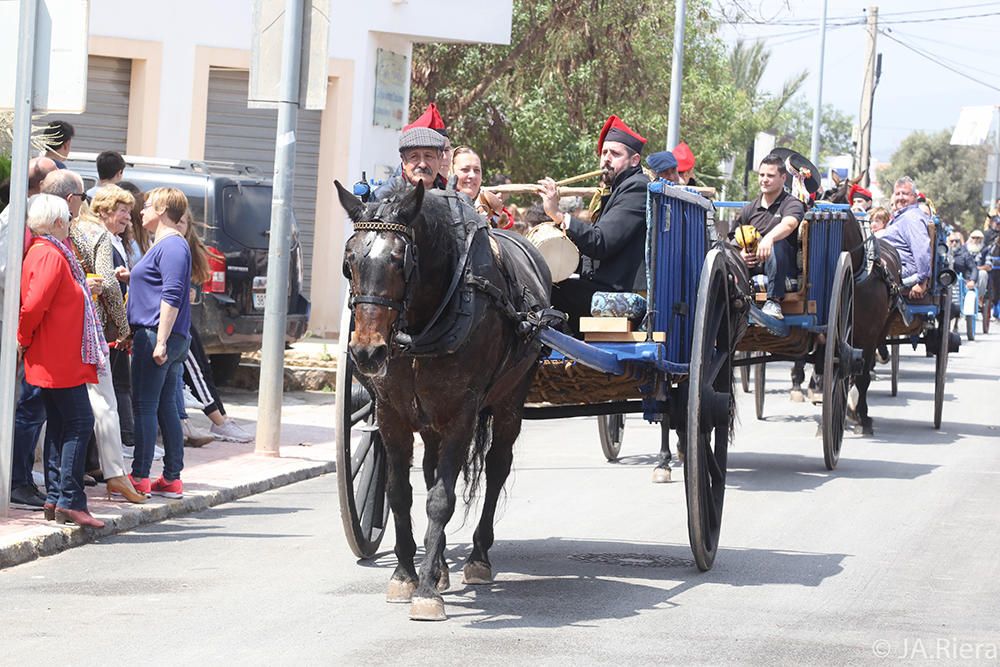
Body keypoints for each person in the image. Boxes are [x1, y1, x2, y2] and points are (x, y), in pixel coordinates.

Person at [18, 194, 103, 527]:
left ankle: (57, 498)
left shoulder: (44, 251)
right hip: (58, 357)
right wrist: (23, 339)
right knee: (79, 423)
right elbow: (34, 305)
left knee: (60, 424)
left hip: (56, 355)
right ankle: (69, 499)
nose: (71, 222)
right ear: (55, 222)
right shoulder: (51, 254)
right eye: (67, 217)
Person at [536, 114, 650, 333]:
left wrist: (558, 214)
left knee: (544, 287)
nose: (606, 159)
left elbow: (601, 242)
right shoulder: (619, 188)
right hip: (605, 284)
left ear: (634, 160)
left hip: (619, 289)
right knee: (543, 277)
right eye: (604, 152)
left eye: (614, 154)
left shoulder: (637, 187)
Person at [69, 186, 147, 504]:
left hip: (64, 328)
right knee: (106, 403)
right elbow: (109, 283)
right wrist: (123, 327)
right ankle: (116, 473)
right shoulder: (97, 234)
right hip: (92, 329)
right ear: (101, 209)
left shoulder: (68, 228)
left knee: (59, 406)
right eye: (121, 210)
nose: (127, 217)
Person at [127, 187, 193, 499]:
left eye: (148, 206)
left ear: (163, 210)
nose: (141, 212)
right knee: (165, 405)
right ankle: (171, 477)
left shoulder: (172, 246)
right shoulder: (168, 245)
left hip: (157, 334)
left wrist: (160, 342)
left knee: (145, 406)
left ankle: (140, 475)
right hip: (166, 335)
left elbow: (171, 294)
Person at [176, 211, 253, 444]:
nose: (180, 227)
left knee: (200, 369)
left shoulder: (183, 248)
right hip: (171, 321)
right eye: (177, 221)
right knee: (194, 371)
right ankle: (217, 421)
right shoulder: (164, 245)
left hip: (183, 317)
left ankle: (215, 421)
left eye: (184, 222)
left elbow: (194, 285)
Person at [730, 154, 805, 320]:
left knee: (777, 244)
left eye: (770, 176)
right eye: (761, 175)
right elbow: (733, 237)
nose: (764, 180)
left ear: (783, 178)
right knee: (727, 253)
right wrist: (740, 255)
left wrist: (769, 239)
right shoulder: (749, 209)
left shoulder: (792, 203)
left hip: (782, 266)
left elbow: (789, 224)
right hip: (752, 266)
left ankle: (773, 301)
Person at [881, 176, 932, 299]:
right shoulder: (900, 217)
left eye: (905, 194)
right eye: (897, 193)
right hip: (892, 266)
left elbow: (921, 251)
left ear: (914, 197)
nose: (900, 197)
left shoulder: (912, 218)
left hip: (903, 272)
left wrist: (921, 282)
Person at [371, 127, 448, 200]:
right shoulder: (382, 197)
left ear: (440, 159)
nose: (422, 164)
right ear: (404, 161)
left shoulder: (451, 196)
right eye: (414, 157)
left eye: (428, 156)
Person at [452, 146, 513, 229]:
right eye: (465, 169)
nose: (472, 175)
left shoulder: (489, 208)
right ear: (451, 172)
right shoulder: (441, 207)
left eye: (477, 170)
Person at [966, 230, 991, 298]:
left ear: (981, 239)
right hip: (965, 273)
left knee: (983, 273)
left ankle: (979, 298)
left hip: (979, 273)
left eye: (978, 238)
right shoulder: (964, 248)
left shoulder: (985, 250)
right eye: (973, 237)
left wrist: (975, 269)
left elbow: (989, 266)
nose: (975, 240)